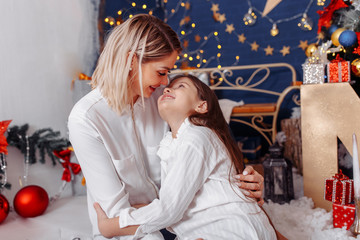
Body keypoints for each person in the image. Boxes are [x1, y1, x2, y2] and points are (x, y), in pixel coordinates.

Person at [68, 14, 264, 240]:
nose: (165, 83)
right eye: (161, 72)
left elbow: (210, 140)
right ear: (131, 61)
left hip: (180, 216)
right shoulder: (86, 119)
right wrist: (172, 215)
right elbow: (114, 216)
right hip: (129, 229)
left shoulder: (164, 99)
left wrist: (242, 181)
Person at [93, 74, 278, 240]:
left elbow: (169, 209)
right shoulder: (174, 142)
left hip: (231, 229)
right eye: (168, 87)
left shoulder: (196, 137)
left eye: (180, 86)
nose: (167, 88)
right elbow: (172, 203)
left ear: (201, 105)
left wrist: (110, 227)